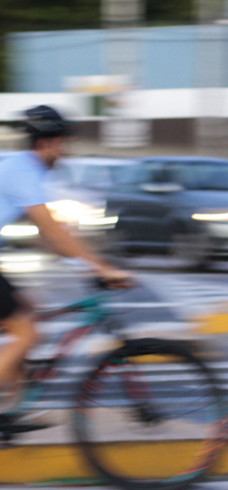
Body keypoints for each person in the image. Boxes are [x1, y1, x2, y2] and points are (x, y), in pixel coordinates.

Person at [0, 105, 131, 422]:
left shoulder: (23, 169)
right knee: (27, 334)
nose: (66, 152)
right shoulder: (26, 171)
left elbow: (45, 237)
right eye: (64, 143)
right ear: (48, 143)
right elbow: (53, 232)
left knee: (28, 314)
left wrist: (84, 264)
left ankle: (13, 414)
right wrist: (101, 268)